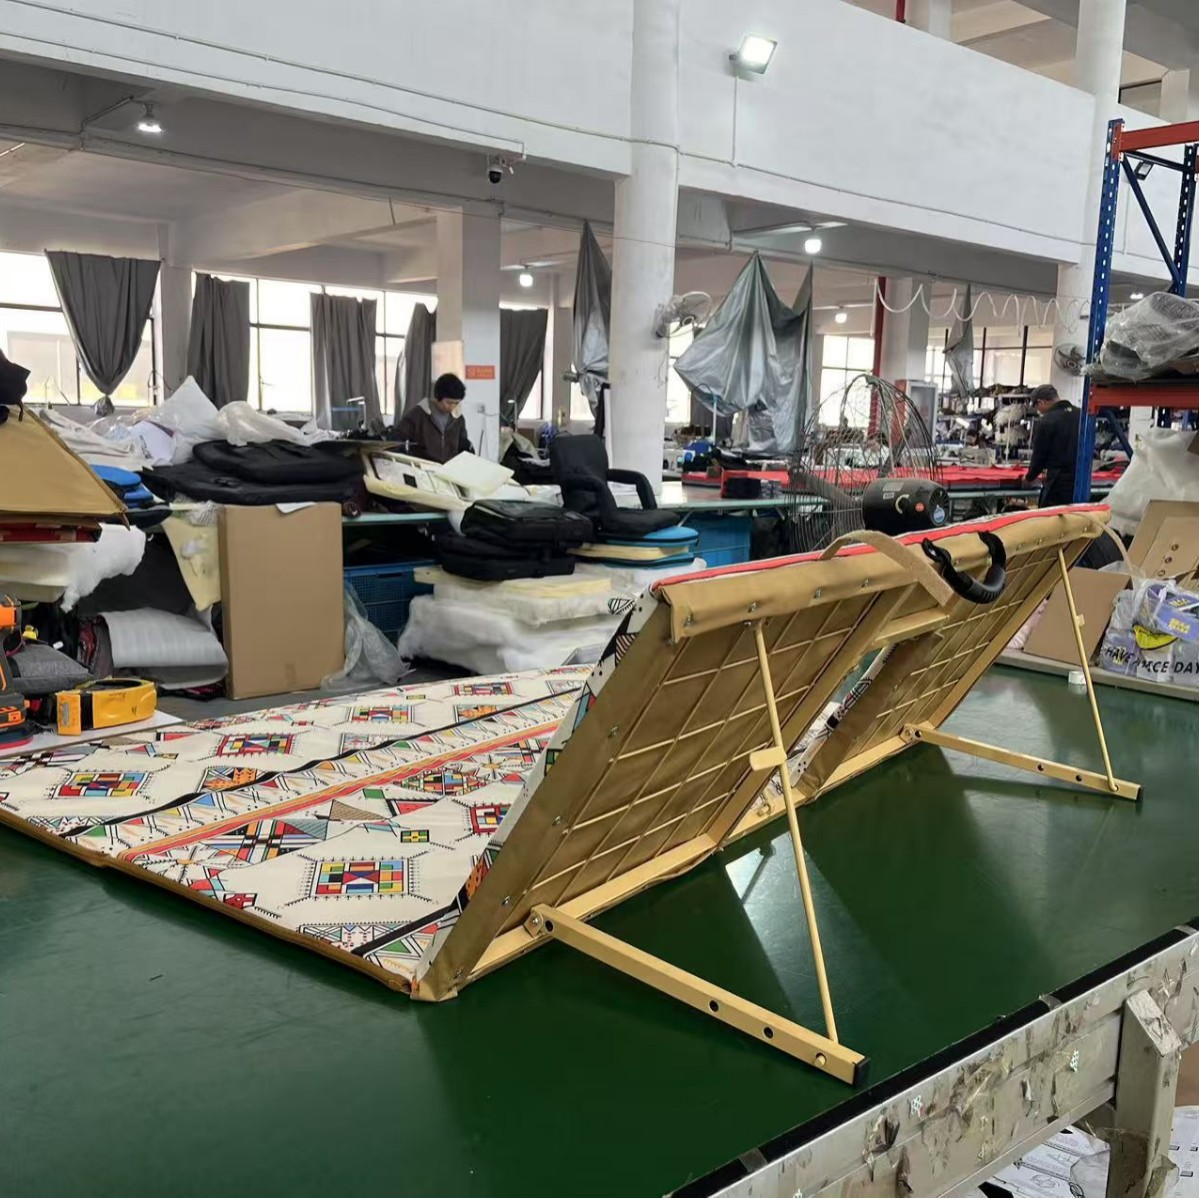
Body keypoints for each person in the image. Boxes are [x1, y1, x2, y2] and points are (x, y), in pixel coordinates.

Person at [394, 373, 474, 464]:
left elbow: (462, 445)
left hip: (449, 468)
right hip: (423, 467)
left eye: (456, 403)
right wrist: (405, 459)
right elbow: (397, 437)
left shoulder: (458, 419)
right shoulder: (419, 414)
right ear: (438, 397)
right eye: (449, 402)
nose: (452, 406)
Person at [1024, 383, 1080, 507]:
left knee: (1052, 516)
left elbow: (1039, 455)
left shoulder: (1047, 421)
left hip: (1058, 484)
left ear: (1041, 402)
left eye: (1037, 407)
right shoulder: (1081, 415)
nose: (1038, 411)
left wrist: (1029, 477)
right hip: (1080, 480)